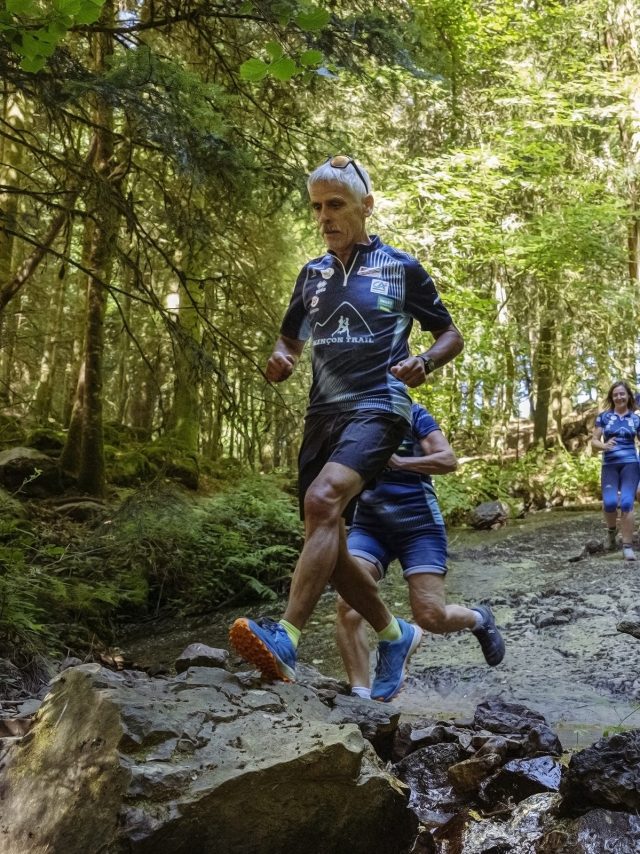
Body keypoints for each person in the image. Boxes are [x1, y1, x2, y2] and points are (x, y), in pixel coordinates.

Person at [229, 155, 464, 701]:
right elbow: (290, 338)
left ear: (366, 205)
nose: (324, 217)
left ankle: (286, 637)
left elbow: (449, 334)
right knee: (326, 539)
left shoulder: (401, 267)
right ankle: (395, 633)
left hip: (380, 405)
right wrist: (282, 358)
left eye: (335, 205)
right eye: (317, 207)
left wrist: (425, 362)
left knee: (322, 500)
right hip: (322, 413)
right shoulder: (311, 275)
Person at [337, 402, 505, 701]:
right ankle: (361, 697)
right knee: (347, 601)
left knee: (430, 617)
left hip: (419, 525)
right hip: (369, 525)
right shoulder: (351, 417)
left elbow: (448, 460)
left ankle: (478, 618)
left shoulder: (413, 413)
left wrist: (400, 463)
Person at [592, 380, 640, 561]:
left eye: (622, 394)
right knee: (610, 503)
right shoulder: (604, 417)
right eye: (615, 395)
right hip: (610, 465)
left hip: (630, 464)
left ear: (628, 396)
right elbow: (594, 441)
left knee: (627, 503)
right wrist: (604, 446)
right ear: (612, 398)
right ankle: (612, 533)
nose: (619, 397)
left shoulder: (636, 419)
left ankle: (627, 546)